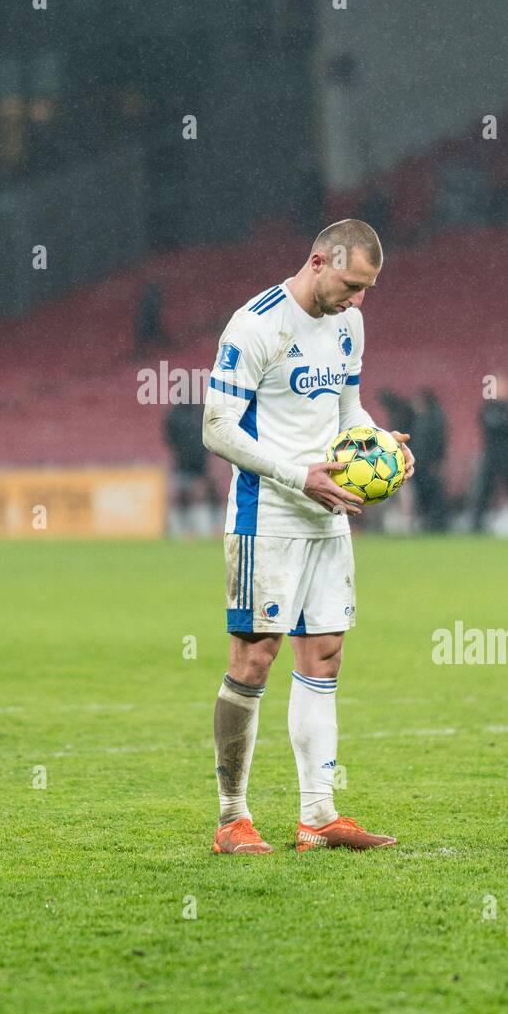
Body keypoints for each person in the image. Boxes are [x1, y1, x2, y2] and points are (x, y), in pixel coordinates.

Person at [202, 218, 414, 856]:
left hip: (329, 514)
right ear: (319, 261)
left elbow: (346, 410)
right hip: (267, 515)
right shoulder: (256, 325)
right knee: (255, 658)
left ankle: (318, 817)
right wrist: (301, 477)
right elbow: (216, 429)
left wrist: (378, 440)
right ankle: (232, 818)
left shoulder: (348, 323)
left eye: (368, 289)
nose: (358, 300)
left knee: (323, 657)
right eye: (352, 284)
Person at [472, 377, 508, 533]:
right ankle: (476, 524)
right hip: (491, 455)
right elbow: (489, 426)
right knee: (484, 490)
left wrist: (500, 425)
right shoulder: (488, 408)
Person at [164, 399, 219, 536]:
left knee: (185, 498)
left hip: (188, 463)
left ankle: (182, 532)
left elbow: (169, 437)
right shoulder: (198, 412)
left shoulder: (178, 413)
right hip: (192, 463)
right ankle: (197, 531)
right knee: (191, 497)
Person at [412, 389, 449, 531]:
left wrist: (432, 461)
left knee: (430, 495)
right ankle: (432, 522)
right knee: (430, 495)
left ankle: (434, 523)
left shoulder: (429, 420)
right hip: (425, 464)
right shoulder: (429, 418)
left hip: (426, 465)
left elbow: (434, 444)